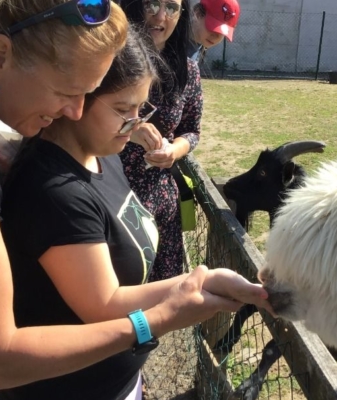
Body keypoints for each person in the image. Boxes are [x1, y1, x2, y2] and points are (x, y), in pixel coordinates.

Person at [0, 0, 269, 392]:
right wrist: (156, 319)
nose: (74, 111)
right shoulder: (49, 186)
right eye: (68, 91)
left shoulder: (105, 156)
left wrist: (197, 283)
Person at [120, 0, 202, 281]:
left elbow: (192, 131)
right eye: (152, 3)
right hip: (113, 190)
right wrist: (130, 129)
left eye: (171, 6)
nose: (160, 15)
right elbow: (79, 113)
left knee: (161, 294)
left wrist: (173, 151)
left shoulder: (188, 71)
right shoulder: (111, 58)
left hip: (160, 196)